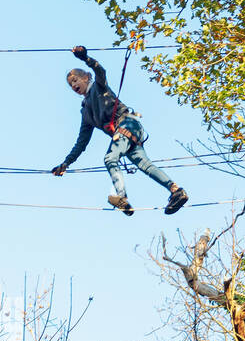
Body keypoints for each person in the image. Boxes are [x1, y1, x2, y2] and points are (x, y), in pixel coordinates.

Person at [51, 45, 188, 216]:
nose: (74, 85)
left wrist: (85, 58)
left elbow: (101, 71)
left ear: (86, 77)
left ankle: (121, 197)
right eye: (71, 84)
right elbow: (81, 142)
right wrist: (66, 163)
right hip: (125, 135)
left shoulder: (98, 88)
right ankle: (176, 190)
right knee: (145, 165)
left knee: (110, 158)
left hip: (128, 124)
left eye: (76, 80)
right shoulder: (85, 111)